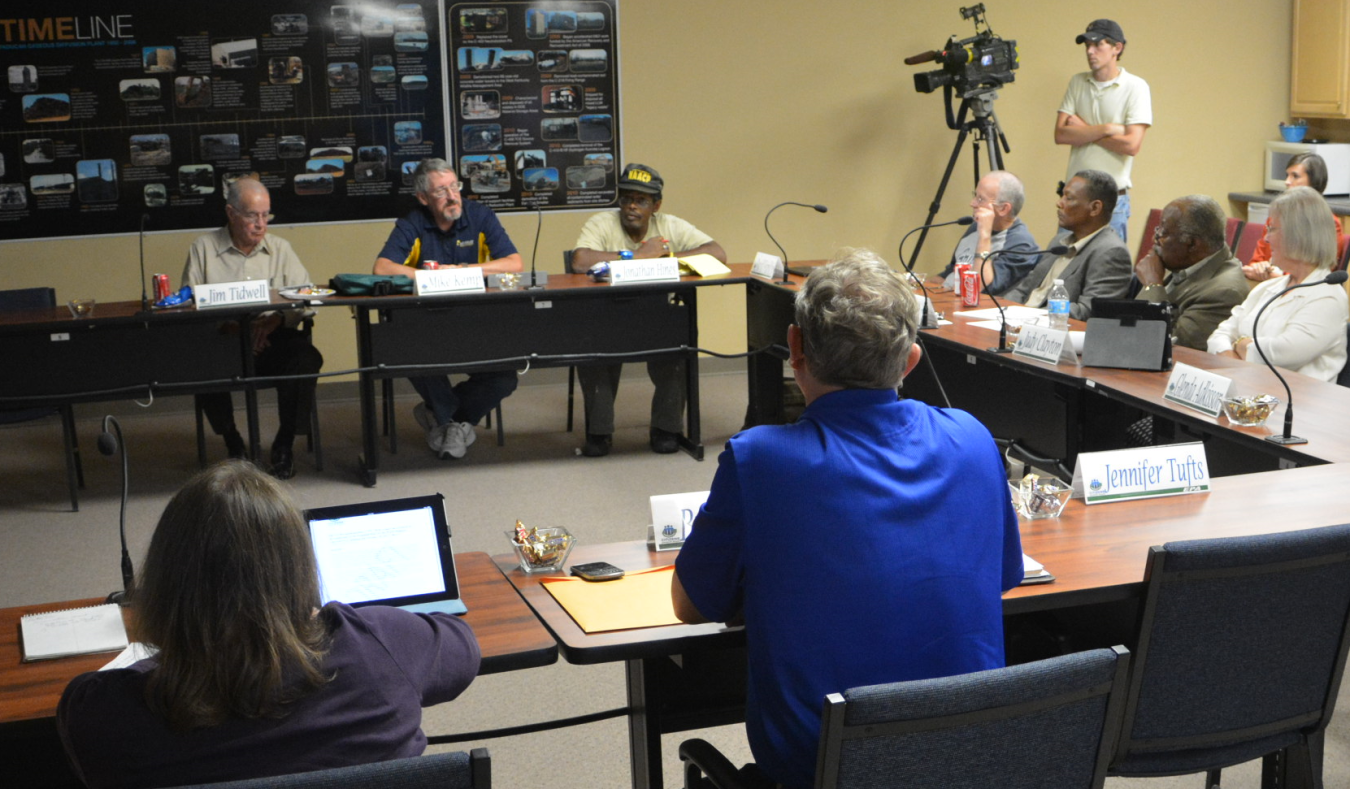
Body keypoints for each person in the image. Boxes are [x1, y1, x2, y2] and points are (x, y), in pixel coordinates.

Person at [671, 250, 1022, 789]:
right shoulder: (973, 437)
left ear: (794, 349)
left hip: (822, 771)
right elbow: (999, 580)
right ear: (911, 361)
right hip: (964, 760)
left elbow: (691, 606)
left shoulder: (760, 459)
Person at [57, 461, 480, 789]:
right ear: (299, 569)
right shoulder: (383, 643)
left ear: (165, 584)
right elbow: (463, 649)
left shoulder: (103, 712)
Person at [571, 163, 727, 457]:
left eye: (641, 201)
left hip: (655, 314)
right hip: (606, 313)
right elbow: (580, 260)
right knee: (592, 345)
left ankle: (666, 428)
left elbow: (717, 253)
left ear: (656, 205)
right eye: (626, 198)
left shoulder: (670, 224)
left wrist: (666, 256)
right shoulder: (602, 222)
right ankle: (599, 432)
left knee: (679, 337)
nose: (631, 206)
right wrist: (637, 256)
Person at [375, 158, 522, 460]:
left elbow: (514, 263)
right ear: (423, 198)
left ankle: (443, 417)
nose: (453, 196)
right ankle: (455, 424)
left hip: (477, 322)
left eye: (454, 186)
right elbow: (382, 268)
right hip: (427, 326)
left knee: (506, 376)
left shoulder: (479, 215)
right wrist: (431, 277)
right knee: (408, 353)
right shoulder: (413, 222)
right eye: (441, 191)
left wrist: (468, 269)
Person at [183, 177, 322, 480]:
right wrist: (234, 328)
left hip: (270, 339)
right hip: (226, 342)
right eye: (252, 215)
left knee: (306, 357)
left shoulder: (281, 249)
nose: (261, 224)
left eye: (265, 215)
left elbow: (305, 299)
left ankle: (284, 443)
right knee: (202, 362)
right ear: (231, 213)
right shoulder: (204, 248)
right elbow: (189, 307)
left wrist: (274, 321)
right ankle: (232, 441)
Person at [1208, 186, 1349, 382]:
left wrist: (1239, 344)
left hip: (1299, 406)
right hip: (1248, 394)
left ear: (1298, 235)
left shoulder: (1328, 297)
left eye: (1272, 229)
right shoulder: (1268, 287)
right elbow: (1219, 335)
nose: (1266, 238)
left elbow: (1281, 355)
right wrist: (1234, 358)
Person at [1054, 19, 1151, 243]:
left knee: (1108, 271)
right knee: (1062, 269)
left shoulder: (1136, 87)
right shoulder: (1077, 82)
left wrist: (1083, 131)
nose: (1090, 51)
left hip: (1112, 201)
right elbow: (1061, 134)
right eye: (1087, 45)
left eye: (1098, 45)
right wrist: (1107, 129)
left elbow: (1131, 145)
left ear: (1117, 48)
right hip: (1073, 200)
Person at [1007, 170, 1133, 320]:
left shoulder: (1111, 252)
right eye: (1062, 196)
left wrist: (1033, 315)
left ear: (1095, 208)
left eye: (1069, 198)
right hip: (1017, 322)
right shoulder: (1058, 242)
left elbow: (1087, 310)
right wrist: (1002, 309)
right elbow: (1023, 290)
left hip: (1049, 331)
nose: (1059, 203)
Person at [1134, 195, 1249, 350]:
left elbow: (1168, 346)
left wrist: (1152, 285)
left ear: (1192, 244)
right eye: (1158, 229)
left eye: (1164, 233)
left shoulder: (1224, 292)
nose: (1155, 239)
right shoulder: (1181, 262)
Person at [1244, 152, 1347, 282]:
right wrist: (1260, 268)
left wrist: (1277, 278)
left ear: (1314, 182)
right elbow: (1255, 263)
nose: (1287, 182)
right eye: (1287, 175)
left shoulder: (1328, 223)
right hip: (1268, 287)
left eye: (1295, 176)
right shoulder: (1276, 218)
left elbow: (1317, 275)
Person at [936, 170, 1040, 295]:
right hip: (946, 299)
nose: (972, 203)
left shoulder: (1022, 245)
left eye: (980, 199)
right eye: (975, 196)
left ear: (1003, 208)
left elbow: (982, 288)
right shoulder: (975, 227)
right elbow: (949, 274)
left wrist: (984, 237)